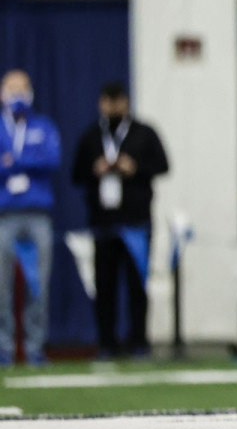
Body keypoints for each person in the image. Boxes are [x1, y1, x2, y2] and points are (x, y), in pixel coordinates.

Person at [70, 82, 170, 358]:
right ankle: (107, 343)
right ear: (101, 103)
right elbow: (76, 174)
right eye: (107, 101)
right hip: (103, 221)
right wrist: (96, 169)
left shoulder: (143, 133)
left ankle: (139, 341)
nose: (113, 107)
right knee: (105, 285)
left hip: (136, 221)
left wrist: (134, 168)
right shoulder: (92, 136)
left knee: (138, 284)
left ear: (126, 102)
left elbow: (163, 165)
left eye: (117, 101)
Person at [0, 70, 61, 367]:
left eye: (22, 87)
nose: (17, 93)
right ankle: (4, 349)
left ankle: (36, 348)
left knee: (39, 284)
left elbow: (52, 158)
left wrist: (14, 161)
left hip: (37, 215)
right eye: (11, 88)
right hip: (4, 214)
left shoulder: (43, 125)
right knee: (1, 287)